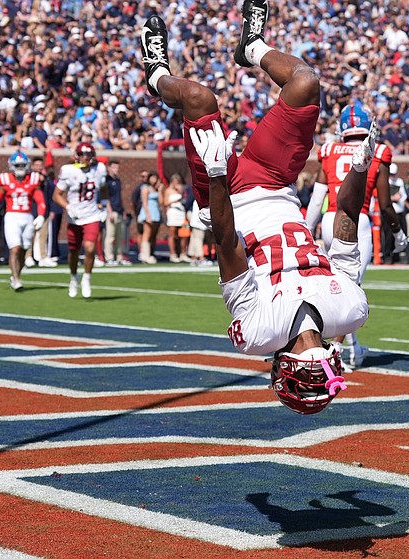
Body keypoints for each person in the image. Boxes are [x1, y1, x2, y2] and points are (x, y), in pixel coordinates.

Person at [140, 7, 376, 414]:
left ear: (289, 371)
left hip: (227, 197)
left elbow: (227, 241)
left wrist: (216, 175)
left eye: (312, 380)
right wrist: (358, 168)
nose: (320, 373)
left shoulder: (258, 333)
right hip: (277, 181)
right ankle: (252, 47)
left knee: (197, 98)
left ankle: (156, 75)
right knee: (305, 82)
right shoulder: (348, 311)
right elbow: (347, 221)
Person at [305, 101, 407, 369]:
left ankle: (354, 347)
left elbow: (317, 199)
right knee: (349, 288)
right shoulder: (378, 150)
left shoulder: (328, 150)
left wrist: (305, 230)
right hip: (354, 221)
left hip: (328, 220)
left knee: (334, 284)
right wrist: (397, 232)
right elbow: (385, 204)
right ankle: (335, 352)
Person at [0, 152, 47, 291]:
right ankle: (17, 280)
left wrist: (41, 215)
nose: (20, 167)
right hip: (12, 216)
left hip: (27, 216)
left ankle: (15, 276)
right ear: (12, 166)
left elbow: (40, 200)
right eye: (17, 165)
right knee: (15, 248)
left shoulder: (33, 179)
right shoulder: (5, 180)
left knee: (24, 250)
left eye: (22, 165)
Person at [53, 142, 108, 298]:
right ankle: (73, 277)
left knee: (90, 248)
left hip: (91, 215)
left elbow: (103, 188)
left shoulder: (99, 170)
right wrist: (68, 207)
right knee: (73, 252)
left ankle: (86, 278)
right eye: (83, 155)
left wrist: (103, 205)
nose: (86, 158)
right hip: (74, 217)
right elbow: (56, 195)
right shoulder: (68, 171)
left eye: (89, 155)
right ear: (77, 156)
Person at [103, 160, 131, 266]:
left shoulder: (118, 181)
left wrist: (123, 211)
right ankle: (109, 257)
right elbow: (106, 197)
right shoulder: (106, 180)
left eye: (117, 167)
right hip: (112, 211)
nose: (116, 170)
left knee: (120, 236)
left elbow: (119, 197)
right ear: (109, 168)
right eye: (114, 167)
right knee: (110, 236)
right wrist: (109, 211)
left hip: (119, 210)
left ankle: (118, 256)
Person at [163, 173, 189, 263]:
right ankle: (173, 254)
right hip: (173, 212)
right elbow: (165, 203)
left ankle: (183, 253)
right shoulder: (168, 191)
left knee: (184, 234)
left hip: (181, 212)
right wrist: (175, 200)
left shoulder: (181, 190)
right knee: (172, 234)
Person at [137, 173, 162, 264]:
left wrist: (160, 190)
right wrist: (147, 216)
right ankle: (144, 255)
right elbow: (144, 203)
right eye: (152, 178)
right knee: (146, 235)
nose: (153, 180)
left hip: (155, 212)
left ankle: (151, 253)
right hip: (148, 213)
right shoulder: (145, 188)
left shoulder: (156, 189)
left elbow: (161, 202)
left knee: (152, 236)